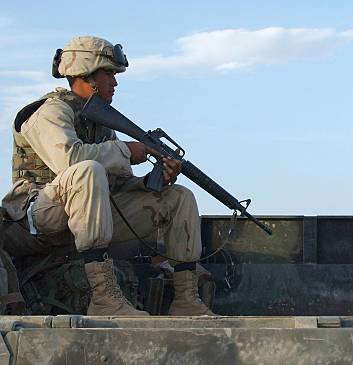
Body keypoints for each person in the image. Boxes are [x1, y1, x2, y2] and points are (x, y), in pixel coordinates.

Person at [2, 36, 214, 316]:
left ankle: (186, 299)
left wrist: (154, 182)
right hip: (33, 218)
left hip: (84, 217)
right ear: (86, 74)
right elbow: (70, 161)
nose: (114, 82)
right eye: (109, 74)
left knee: (178, 197)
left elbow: (117, 185)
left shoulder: (99, 124)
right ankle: (104, 298)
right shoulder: (49, 112)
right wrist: (125, 151)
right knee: (87, 170)